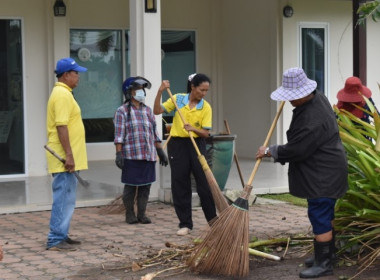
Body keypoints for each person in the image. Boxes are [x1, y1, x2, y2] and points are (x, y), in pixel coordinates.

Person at [256, 67, 348, 279]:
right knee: (325, 211)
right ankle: (327, 254)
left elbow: (298, 149)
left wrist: (271, 150)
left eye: (293, 97)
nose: (289, 101)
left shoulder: (312, 119)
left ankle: (324, 264)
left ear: (305, 93)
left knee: (319, 213)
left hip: (322, 172)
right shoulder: (318, 98)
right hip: (328, 167)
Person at [153, 73, 217, 236]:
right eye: (201, 90)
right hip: (178, 145)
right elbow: (157, 110)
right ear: (192, 87)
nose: (203, 93)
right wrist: (160, 91)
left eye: (206, 91)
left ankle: (213, 222)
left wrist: (193, 129)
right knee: (180, 183)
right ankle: (185, 224)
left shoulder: (206, 107)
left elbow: (206, 133)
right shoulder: (177, 99)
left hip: (196, 144)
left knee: (204, 184)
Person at [46, 57, 88, 251]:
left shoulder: (65, 93)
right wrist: (69, 156)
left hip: (69, 158)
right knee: (63, 197)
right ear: (65, 75)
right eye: (75, 73)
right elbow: (61, 126)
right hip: (64, 158)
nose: (78, 77)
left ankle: (61, 233)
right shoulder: (62, 95)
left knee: (67, 198)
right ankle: (55, 239)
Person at [114, 76, 168, 224]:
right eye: (137, 89)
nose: (141, 92)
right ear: (129, 92)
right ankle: (130, 214)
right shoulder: (122, 111)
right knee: (130, 187)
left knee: (146, 186)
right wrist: (119, 154)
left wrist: (160, 151)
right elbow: (119, 135)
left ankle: (142, 214)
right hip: (131, 155)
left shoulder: (148, 111)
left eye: (142, 89)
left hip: (148, 155)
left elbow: (154, 133)